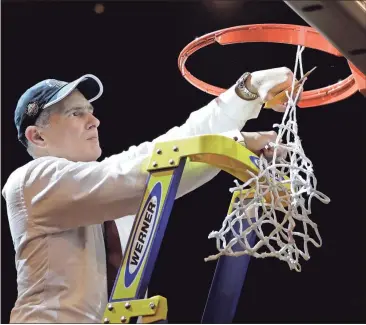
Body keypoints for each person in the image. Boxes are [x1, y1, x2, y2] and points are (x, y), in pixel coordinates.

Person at [2, 67, 294, 323]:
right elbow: (140, 173)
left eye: (91, 112)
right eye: (76, 113)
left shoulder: (106, 189)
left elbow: (171, 148)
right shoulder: (31, 182)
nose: (94, 121)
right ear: (37, 137)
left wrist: (246, 91)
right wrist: (238, 140)